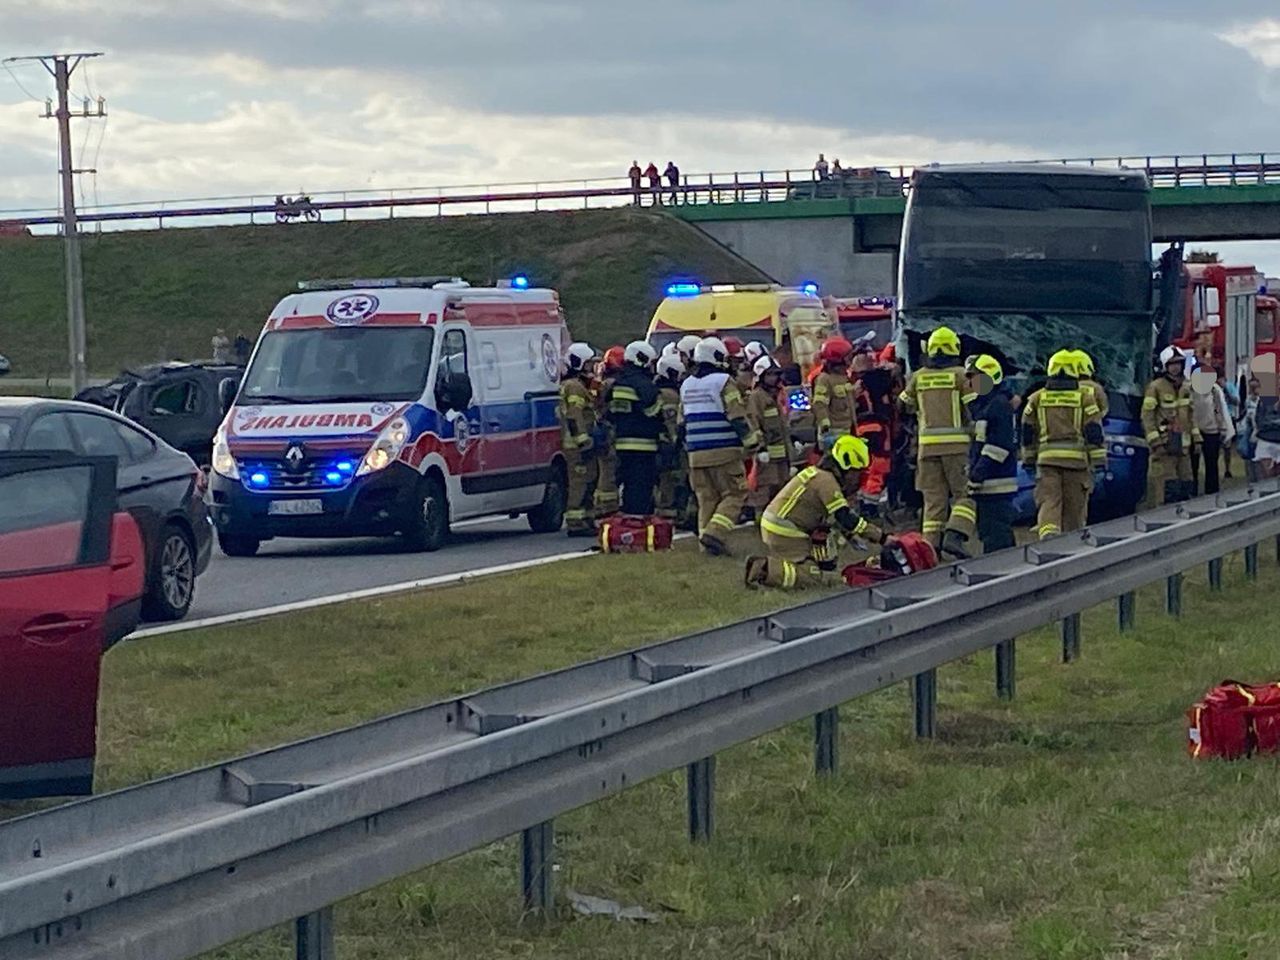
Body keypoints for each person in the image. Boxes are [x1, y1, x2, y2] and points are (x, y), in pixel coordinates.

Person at [744, 435, 888, 590]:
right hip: (785, 529)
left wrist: (850, 536)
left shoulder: (819, 475)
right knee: (812, 578)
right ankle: (764, 569)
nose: (858, 478)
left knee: (824, 546)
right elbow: (845, 517)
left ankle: (783, 566)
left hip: (779, 524)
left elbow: (832, 520)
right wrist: (882, 538)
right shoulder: (827, 482)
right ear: (846, 465)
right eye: (857, 472)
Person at [899, 326, 976, 557]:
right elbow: (976, 406)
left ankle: (930, 550)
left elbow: (903, 406)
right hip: (958, 447)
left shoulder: (918, 376)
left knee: (933, 500)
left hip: (927, 449)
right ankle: (955, 534)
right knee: (966, 494)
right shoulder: (963, 375)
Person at [680, 336, 759, 555]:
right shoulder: (724, 381)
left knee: (707, 499)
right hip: (723, 451)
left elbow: (681, 421)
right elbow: (736, 414)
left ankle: (707, 547)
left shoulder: (686, 384)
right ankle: (714, 534)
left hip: (696, 454)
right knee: (735, 493)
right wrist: (751, 441)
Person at [1021, 350, 1104, 538]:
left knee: (1049, 501)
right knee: (1074, 508)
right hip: (1076, 463)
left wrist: (1028, 458)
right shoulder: (1085, 397)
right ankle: (1072, 545)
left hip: (1047, 461)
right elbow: (1094, 432)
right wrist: (1099, 462)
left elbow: (1027, 432)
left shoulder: (1036, 398)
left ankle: (1048, 537)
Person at [964, 354, 1018, 552]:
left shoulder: (999, 405)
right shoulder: (983, 405)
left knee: (997, 536)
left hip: (997, 484)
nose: (970, 382)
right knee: (988, 532)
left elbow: (999, 446)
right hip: (986, 485)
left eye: (974, 377)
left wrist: (979, 472)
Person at [604, 341, 665, 515]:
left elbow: (608, 412)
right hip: (644, 445)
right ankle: (638, 519)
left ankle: (628, 517)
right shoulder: (644, 385)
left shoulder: (617, 383)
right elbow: (653, 412)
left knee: (629, 483)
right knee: (642, 484)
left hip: (621, 444)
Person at [1142, 346, 1198, 505]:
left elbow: (1191, 415)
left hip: (1184, 447)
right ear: (1165, 366)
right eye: (1172, 364)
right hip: (1164, 447)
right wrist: (1155, 442)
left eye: (1178, 364)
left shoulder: (1186, 387)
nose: (1176, 367)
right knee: (1168, 489)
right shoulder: (1155, 387)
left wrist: (1197, 438)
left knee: (1186, 486)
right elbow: (1147, 417)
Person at [558, 343, 602, 536]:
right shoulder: (574, 387)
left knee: (589, 480)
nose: (592, 369)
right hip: (576, 446)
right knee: (579, 483)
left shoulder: (577, 385)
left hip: (580, 443)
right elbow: (574, 415)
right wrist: (583, 440)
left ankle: (587, 519)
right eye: (589, 364)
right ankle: (576, 523)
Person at [745, 355, 793, 514]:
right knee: (764, 489)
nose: (776, 378)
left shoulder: (778, 395)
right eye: (771, 374)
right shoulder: (757, 397)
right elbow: (754, 423)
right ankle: (761, 519)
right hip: (767, 457)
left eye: (777, 373)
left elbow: (782, 424)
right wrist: (760, 449)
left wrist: (793, 439)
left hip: (782, 455)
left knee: (783, 488)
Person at [654, 352, 688, 523]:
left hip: (659, 443)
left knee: (664, 479)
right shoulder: (670, 394)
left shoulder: (656, 389)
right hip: (669, 444)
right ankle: (670, 515)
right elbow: (672, 422)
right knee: (672, 479)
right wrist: (677, 442)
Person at [594, 345, 627, 517]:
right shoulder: (612, 384)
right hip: (610, 433)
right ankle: (607, 508)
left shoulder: (602, 383)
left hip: (605, 431)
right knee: (609, 472)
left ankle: (602, 507)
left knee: (605, 471)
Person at [1189, 364, 1229, 496]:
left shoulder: (1214, 389)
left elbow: (1219, 409)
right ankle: (1192, 492)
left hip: (1212, 431)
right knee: (1192, 465)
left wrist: (1223, 428)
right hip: (1193, 432)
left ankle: (1212, 493)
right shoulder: (1188, 389)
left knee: (1211, 464)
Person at [812, 337, 857, 450]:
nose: (850, 360)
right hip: (832, 434)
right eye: (847, 357)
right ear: (838, 359)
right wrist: (825, 424)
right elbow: (819, 403)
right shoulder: (824, 379)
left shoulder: (844, 377)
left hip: (847, 429)